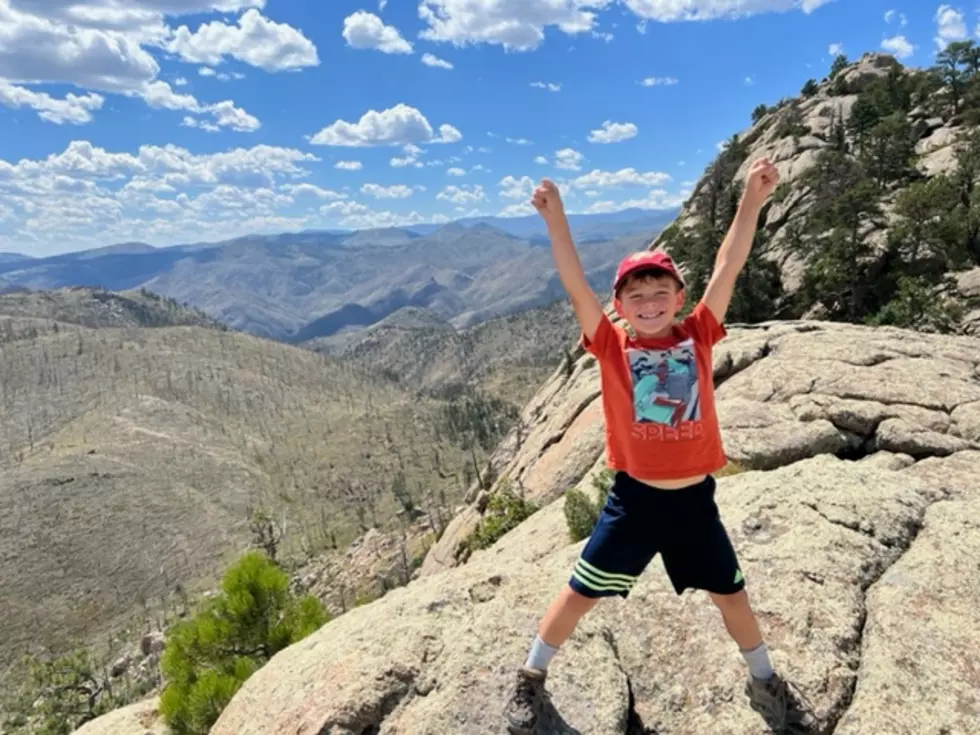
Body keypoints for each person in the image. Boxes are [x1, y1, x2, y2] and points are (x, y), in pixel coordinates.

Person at [503, 158, 817, 734]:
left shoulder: (699, 332)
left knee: (733, 597)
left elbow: (729, 264)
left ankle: (766, 681)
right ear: (619, 305)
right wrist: (557, 221)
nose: (648, 301)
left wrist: (751, 199)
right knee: (580, 593)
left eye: (659, 290)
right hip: (635, 502)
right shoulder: (610, 345)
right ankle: (529, 678)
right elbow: (574, 284)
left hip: (695, 504)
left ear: (679, 296)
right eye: (635, 294)